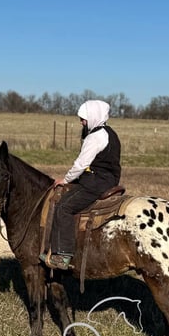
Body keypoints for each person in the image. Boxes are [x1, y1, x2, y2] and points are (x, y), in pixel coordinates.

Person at [41, 100, 121, 270]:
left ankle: (63, 255)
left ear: (93, 117)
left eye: (83, 119)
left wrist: (66, 179)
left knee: (64, 207)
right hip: (108, 179)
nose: (81, 122)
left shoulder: (95, 137)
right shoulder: (110, 133)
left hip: (97, 182)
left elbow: (80, 164)